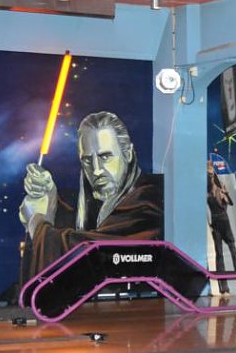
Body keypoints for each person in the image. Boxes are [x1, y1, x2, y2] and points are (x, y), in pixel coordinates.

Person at [18, 111, 163, 284]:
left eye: (105, 157)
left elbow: (93, 249)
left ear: (128, 154)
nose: (96, 170)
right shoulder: (90, 202)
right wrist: (49, 198)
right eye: (87, 160)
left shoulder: (150, 197)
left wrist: (36, 221)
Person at [207, 162, 236, 294]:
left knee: (233, 252)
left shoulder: (220, 192)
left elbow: (230, 202)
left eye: (212, 175)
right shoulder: (208, 194)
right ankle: (223, 287)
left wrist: (226, 194)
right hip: (216, 223)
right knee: (219, 255)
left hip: (224, 222)